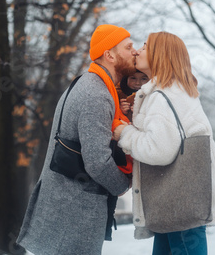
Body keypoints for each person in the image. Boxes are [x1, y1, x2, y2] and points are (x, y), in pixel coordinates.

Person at [17, 24, 137, 255]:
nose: (134, 51)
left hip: (66, 205)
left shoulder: (86, 84)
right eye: (128, 47)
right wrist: (122, 185)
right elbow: (97, 161)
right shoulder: (97, 94)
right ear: (109, 55)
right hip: (75, 210)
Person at [113, 32, 215, 255]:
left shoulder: (163, 95)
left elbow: (158, 150)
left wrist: (124, 133)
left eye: (145, 46)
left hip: (178, 203)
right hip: (177, 202)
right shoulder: (175, 91)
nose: (137, 50)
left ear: (160, 55)